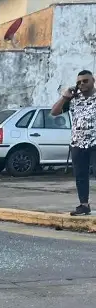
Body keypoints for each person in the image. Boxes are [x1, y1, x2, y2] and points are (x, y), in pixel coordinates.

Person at [53, 69, 96, 216]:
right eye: (79, 82)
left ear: (93, 81)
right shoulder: (73, 99)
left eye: (85, 81)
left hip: (95, 142)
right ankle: (84, 205)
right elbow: (54, 112)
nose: (82, 84)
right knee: (80, 175)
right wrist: (65, 97)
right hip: (77, 142)